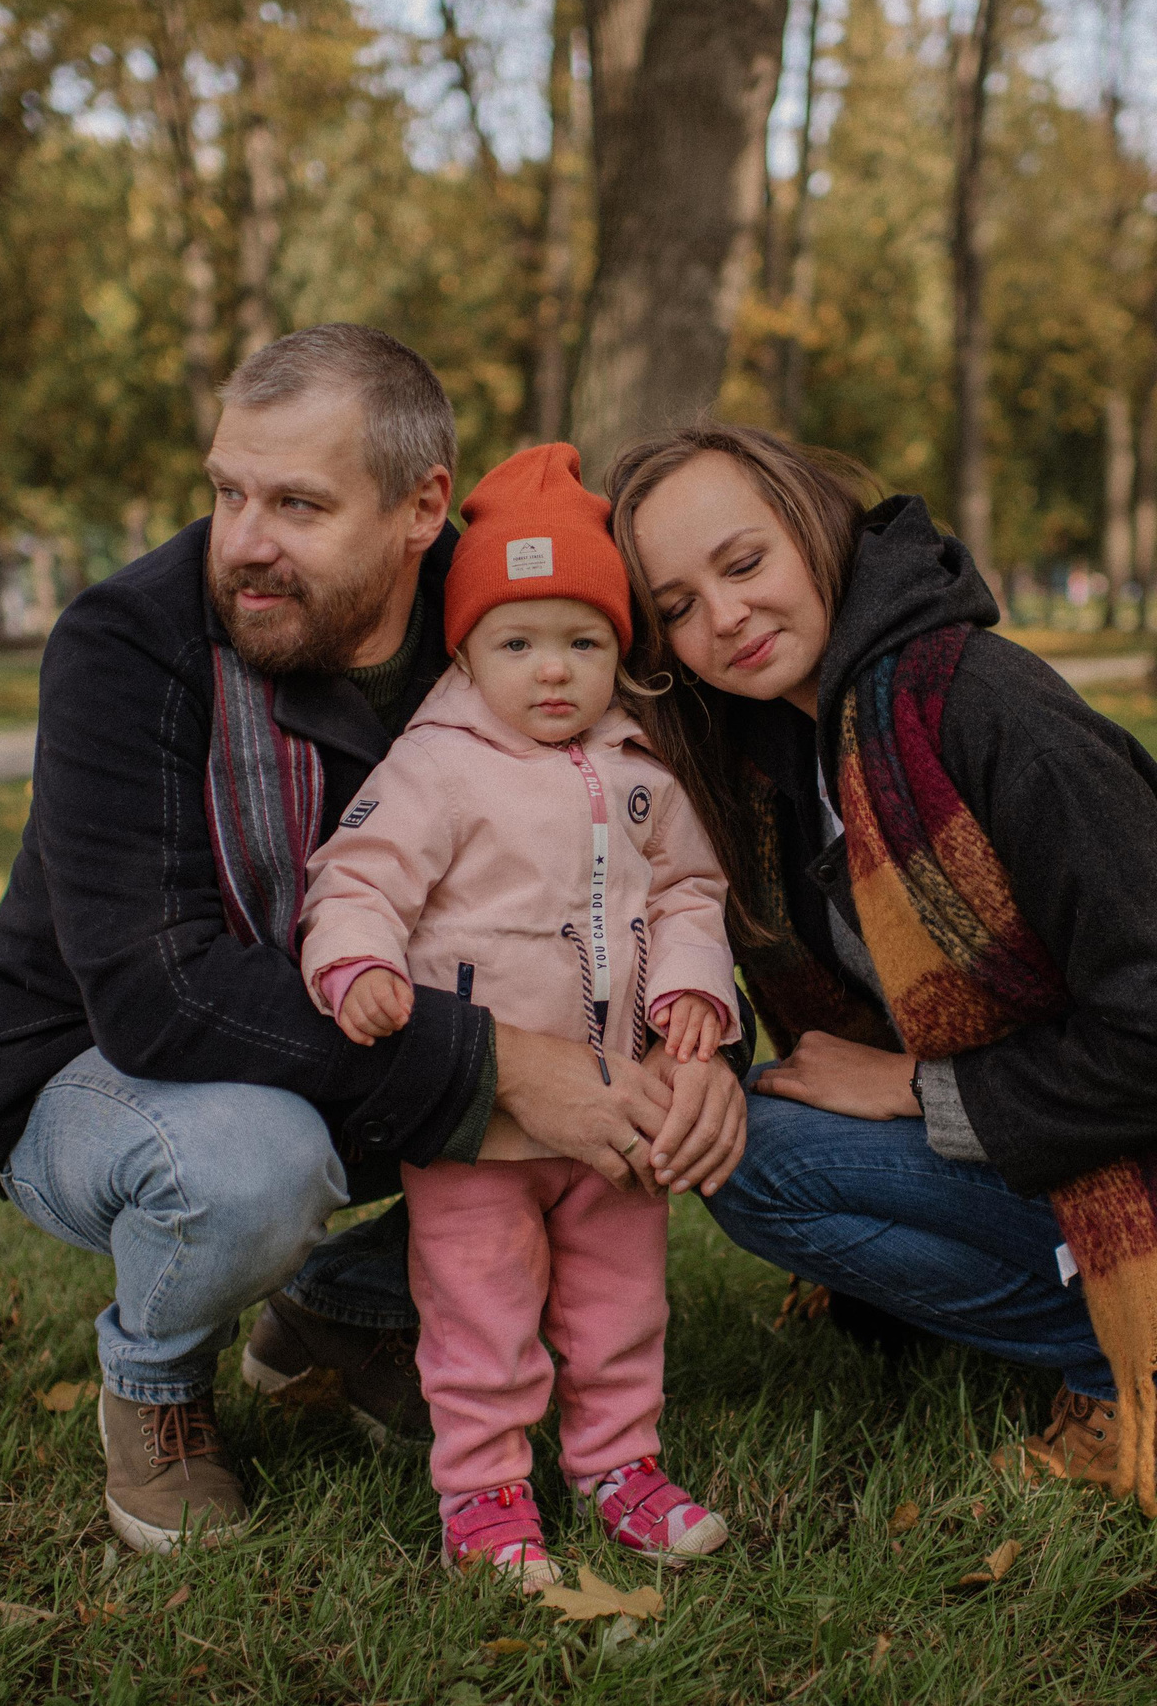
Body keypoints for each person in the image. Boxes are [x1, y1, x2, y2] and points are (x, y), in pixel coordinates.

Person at [0, 327, 744, 1555]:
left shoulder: (519, 616)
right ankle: (155, 1380)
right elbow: (155, 992)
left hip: (370, 1040)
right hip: (101, 1062)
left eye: (297, 504)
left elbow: (641, 845)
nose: (242, 540)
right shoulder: (128, 643)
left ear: (421, 508)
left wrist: (695, 1044)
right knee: (252, 1161)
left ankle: (342, 1304)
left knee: (569, 1139)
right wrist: (508, 1066)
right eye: (228, 492)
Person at [608, 423, 1157, 1510]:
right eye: (678, 605)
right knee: (736, 1136)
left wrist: (913, 1088)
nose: (724, 616)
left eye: (743, 563)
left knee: (764, 1156)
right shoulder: (777, 758)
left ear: (817, 528)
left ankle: (1155, 1354)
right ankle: (1081, 1305)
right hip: (1054, 1145)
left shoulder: (983, 711)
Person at [299, 443, 742, 1585]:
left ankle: (618, 1462)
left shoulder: (641, 770)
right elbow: (357, 879)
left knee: (620, 1302)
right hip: (480, 1120)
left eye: (584, 642)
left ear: (619, 651)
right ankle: (484, 1490)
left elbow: (689, 891)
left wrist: (692, 985)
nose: (554, 671)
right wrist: (358, 964)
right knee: (480, 1311)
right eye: (518, 643)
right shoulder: (435, 767)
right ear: (465, 650)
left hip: (616, 1106)